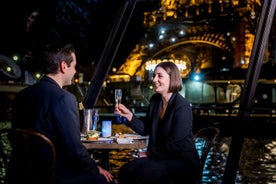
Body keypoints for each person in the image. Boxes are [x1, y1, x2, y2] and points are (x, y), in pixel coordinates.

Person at [7, 42, 114, 184]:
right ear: (64, 66)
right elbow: (75, 149)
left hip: (20, 174)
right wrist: (95, 168)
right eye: (74, 66)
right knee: (107, 180)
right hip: (51, 175)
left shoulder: (22, 95)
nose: (75, 71)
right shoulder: (64, 98)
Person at [115, 61, 200, 184]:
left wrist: (150, 153)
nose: (154, 79)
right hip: (161, 157)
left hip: (182, 161)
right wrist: (129, 116)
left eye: (160, 76)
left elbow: (175, 144)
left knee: (141, 174)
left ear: (172, 79)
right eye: (154, 75)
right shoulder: (155, 100)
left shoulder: (182, 106)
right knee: (125, 170)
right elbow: (146, 129)